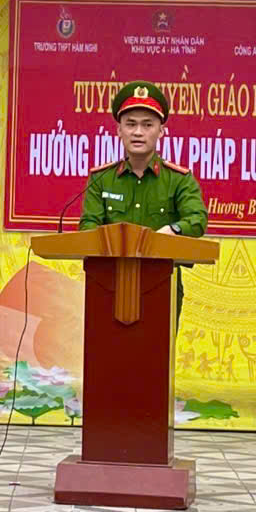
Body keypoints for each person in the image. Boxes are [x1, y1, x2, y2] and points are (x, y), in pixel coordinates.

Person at [79, 80, 207, 327]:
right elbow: (87, 226)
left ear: (161, 131)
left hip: (162, 284)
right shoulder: (101, 179)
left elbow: (198, 219)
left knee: (157, 351)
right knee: (105, 351)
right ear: (119, 130)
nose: (138, 132)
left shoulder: (179, 180)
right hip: (107, 284)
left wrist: (173, 230)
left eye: (147, 125)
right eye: (131, 124)